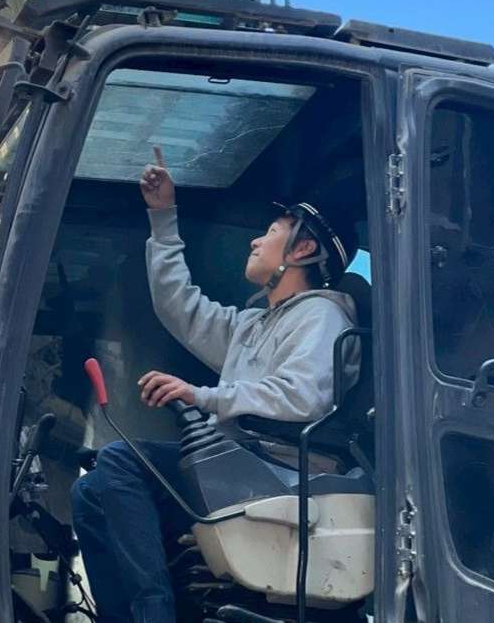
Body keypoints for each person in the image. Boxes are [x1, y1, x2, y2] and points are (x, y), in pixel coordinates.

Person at [71, 148, 359, 623]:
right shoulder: (255, 323)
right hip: (242, 466)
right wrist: (163, 217)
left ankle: (154, 615)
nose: (256, 241)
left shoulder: (322, 316)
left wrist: (200, 395)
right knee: (92, 491)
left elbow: (302, 396)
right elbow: (179, 307)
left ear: (303, 250)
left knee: (122, 460)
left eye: (271, 232)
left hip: (279, 470)